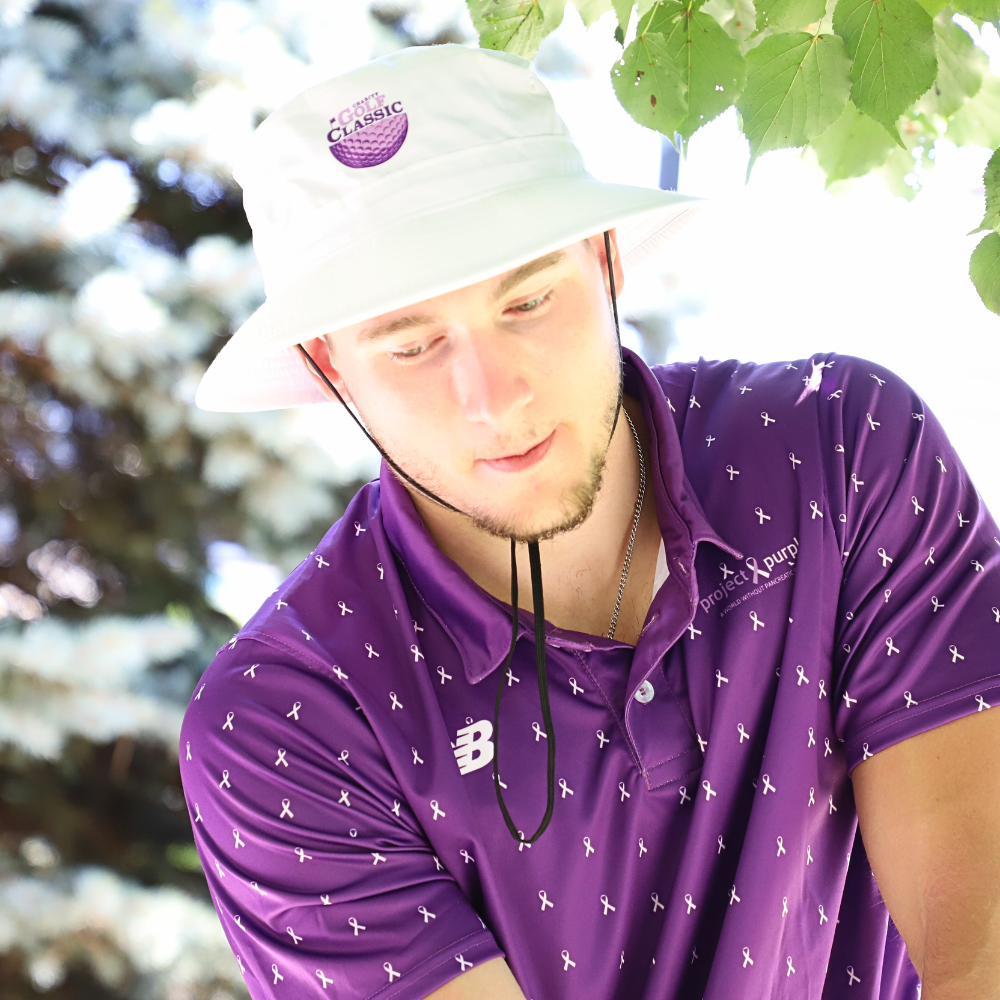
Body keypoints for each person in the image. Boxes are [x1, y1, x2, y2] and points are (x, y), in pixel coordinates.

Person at [179, 42, 1000, 1000]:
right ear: (329, 368)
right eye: (410, 347)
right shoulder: (285, 724)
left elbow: (979, 935)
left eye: (527, 301)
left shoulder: (841, 450)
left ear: (604, 257)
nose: (492, 398)